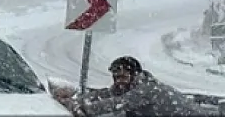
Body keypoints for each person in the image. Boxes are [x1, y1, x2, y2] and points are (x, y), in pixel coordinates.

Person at [57, 56, 204, 116]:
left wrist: (73, 104)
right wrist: (78, 97)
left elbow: (114, 104)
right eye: (115, 77)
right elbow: (107, 94)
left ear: (134, 75)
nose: (118, 81)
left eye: (123, 77)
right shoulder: (129, 86)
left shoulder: (146, 89)